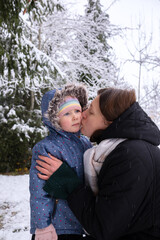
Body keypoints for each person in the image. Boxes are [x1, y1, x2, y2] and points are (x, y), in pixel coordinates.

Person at [37, 87, 160, 240]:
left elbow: (103, 227)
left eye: (91, 112)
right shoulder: (133, 149)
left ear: (109, 121)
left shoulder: (129, 157)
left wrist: (67, 182)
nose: (83, 114)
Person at [29, 84, 93, 240]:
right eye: (67, 114)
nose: (75, 117)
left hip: (80, 221)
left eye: (77, 111)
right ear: (53, 119)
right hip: (56, 225)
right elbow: (39, 191)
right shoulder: (46, 148)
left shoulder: (85, 143)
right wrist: (43, 226)